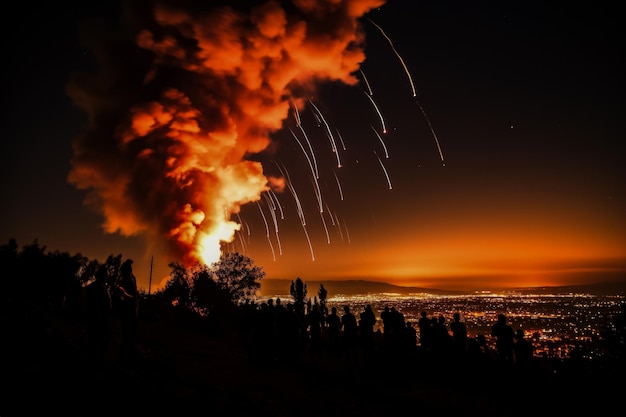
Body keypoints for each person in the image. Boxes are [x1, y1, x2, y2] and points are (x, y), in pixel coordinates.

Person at [85, 265, 112, 365]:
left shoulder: (91, 288)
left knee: (92, 343)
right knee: (99, 344)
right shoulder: (102, 290)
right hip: (99, 321)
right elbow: (107, 307)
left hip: (92, 320)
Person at [116, 259, 140, 364]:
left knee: (127, 335)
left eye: (122, 271)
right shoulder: (130, 279)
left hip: (129, 312)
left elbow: (131, 297)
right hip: (129, 311)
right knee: (127, 334)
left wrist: (122, 293)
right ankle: (127, 357)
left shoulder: (129, 281)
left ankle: (125, 358)